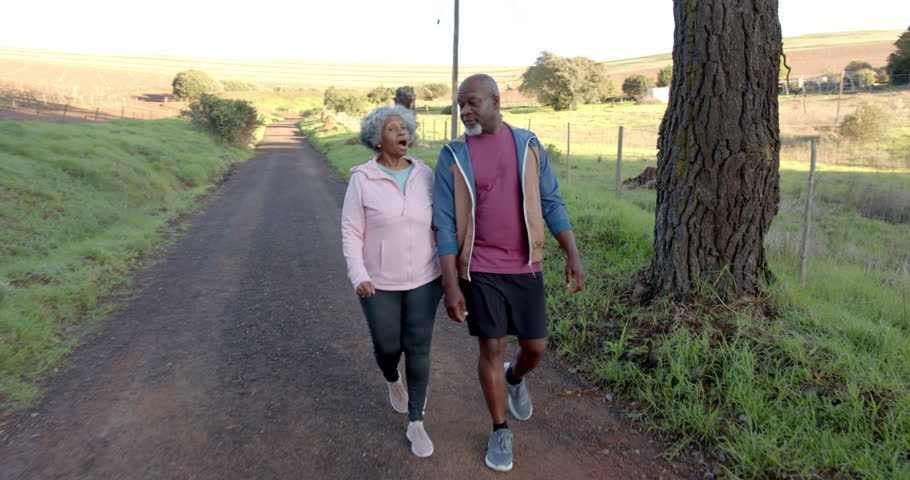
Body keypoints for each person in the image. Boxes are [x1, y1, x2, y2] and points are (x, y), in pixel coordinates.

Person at [432, 74, 586, 472]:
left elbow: (551, 201)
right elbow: (445, 224)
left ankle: (515, 378)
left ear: (496, 101)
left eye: (472, 103)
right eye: (460, 104)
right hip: (480, 269)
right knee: (492, 346)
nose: (464, 111)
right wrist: (451, 285)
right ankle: (500, 429)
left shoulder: (528, 146)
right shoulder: (453, 155)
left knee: (536, 348)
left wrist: (571, 252)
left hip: (526, 265)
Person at [341, 104, 442, 458]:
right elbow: (351, 230)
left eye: (406, 128)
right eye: (393, 129)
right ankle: (391, 379)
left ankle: (416, 422)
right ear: (376, 139)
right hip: (378, 282)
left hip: (426, 279)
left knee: (418, 347)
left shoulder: (425, 174)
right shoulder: (362, 179)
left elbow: (439, 223)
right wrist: (359, 274)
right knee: (387, 348)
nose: (403, 133)